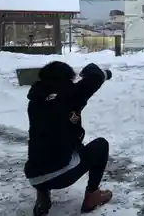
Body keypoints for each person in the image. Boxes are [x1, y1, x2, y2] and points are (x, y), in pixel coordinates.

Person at [25, 61, 113, 215]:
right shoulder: (70, 95)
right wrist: (93, 71)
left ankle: (43, 196)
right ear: (67, 79)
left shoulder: (35, 101)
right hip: (61, 176)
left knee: (46, 150)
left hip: (34, 176)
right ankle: (92, 196)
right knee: (101, 145)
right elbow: (96, 77)